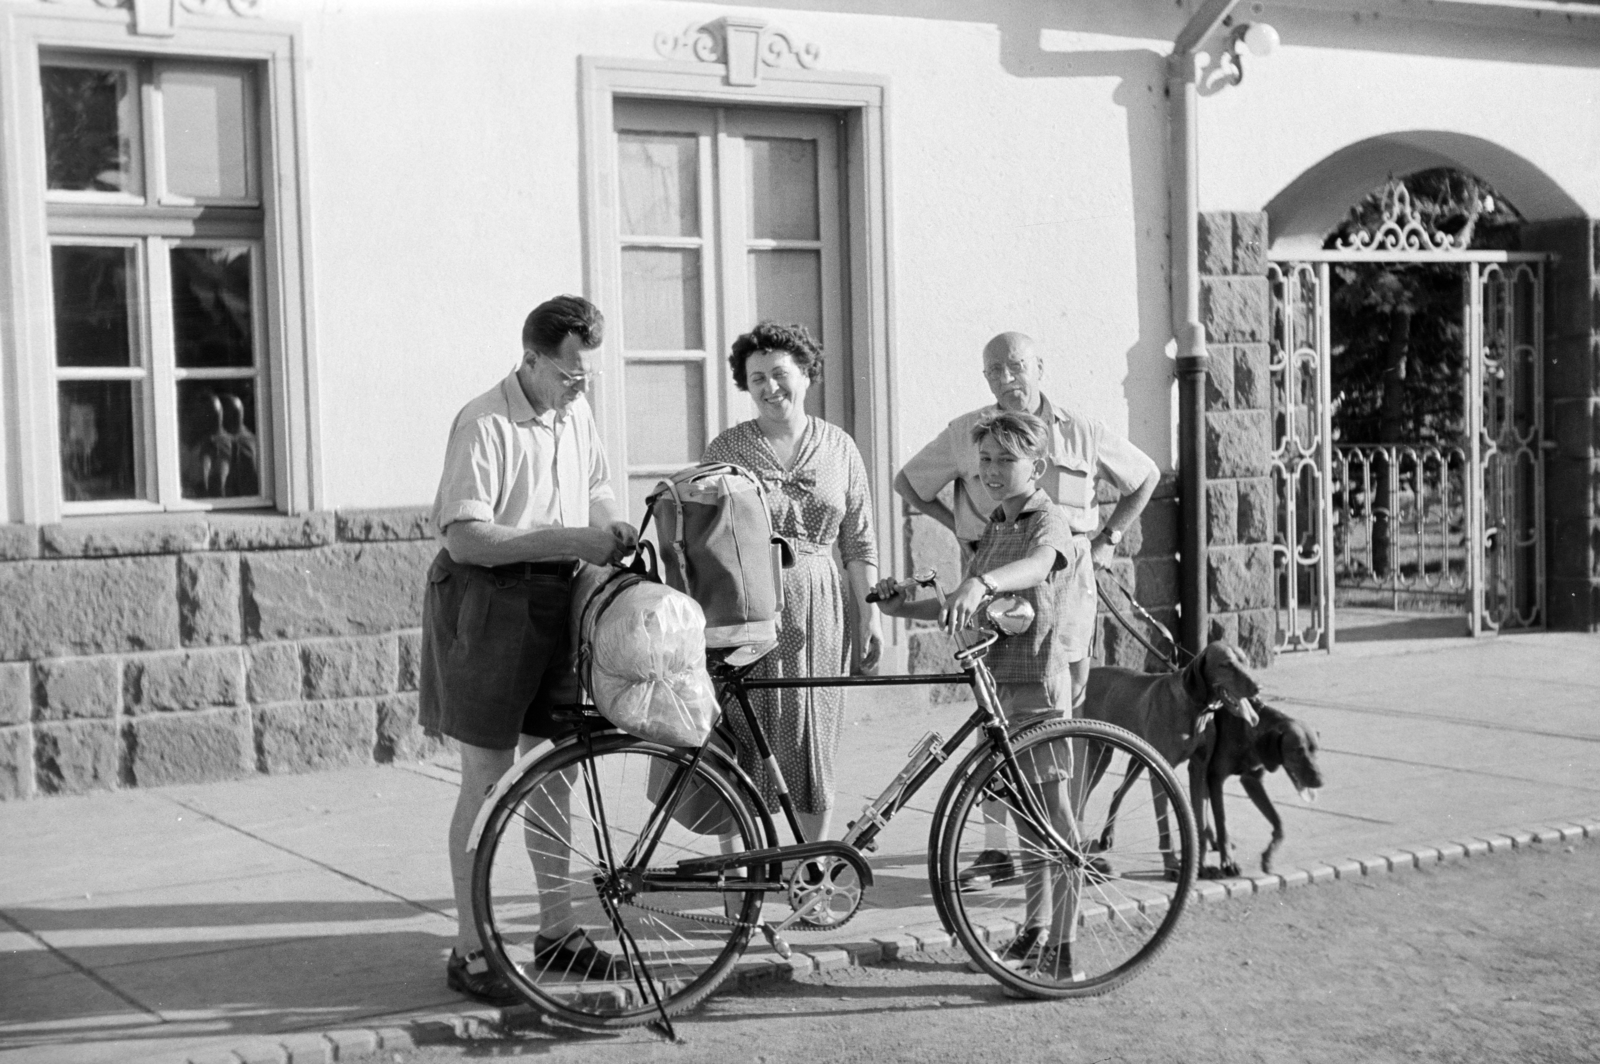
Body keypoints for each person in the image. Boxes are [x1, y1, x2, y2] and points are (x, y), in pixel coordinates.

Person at [419, 295, 639, 1004]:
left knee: (558, 772)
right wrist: (576, 539)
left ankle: (558, 930)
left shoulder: (576, 410)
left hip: (560, 597)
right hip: (489, 601)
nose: (582, 385)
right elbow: (466, 537)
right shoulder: (483, 421)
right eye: (572, 372)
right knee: (487, 779)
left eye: (589, 374)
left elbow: (599, 484)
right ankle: (472, 947)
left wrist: (611, 523)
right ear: (532, 359)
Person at [894, 330, 1160, 887]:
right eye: (994, 371)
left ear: (1040, 366)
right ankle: (1000, 849)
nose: (1007, 379)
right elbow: (909, 482)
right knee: (996, 714)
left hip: (1066, 584)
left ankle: (1064, 843)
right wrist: (961, 529)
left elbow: (1145, 477)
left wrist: (1110, 538)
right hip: (992, 575)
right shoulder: (969, 432)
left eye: (1016, 366)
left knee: (1062, 712)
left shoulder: (1081, 431)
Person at [874, 410, 1086, 981]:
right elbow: (963, 604)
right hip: (998, 689)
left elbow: (1038, 567)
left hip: (1038, 687)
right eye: (985, 461)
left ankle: (1064, 947)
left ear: (1037, 466)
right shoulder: (996, 523)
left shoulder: (1049, 521)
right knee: (1024, 819)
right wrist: (905, 608)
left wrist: (984, 581)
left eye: (1006, 460)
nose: (991, 472)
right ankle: (1035, 929)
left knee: (1056, 824)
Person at [702, 321, 882, 843]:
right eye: (756, 377)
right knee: (739, 730)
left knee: (814, 734)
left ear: (806, 374)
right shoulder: (729, 446)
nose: (769, 387)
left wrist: (868, 612)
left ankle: (812, 866)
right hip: (748, 602)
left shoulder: (840, 447)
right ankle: (739, 868)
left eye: (780, 373)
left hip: (821, 606)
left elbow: (859, 540)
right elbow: (707, 535)